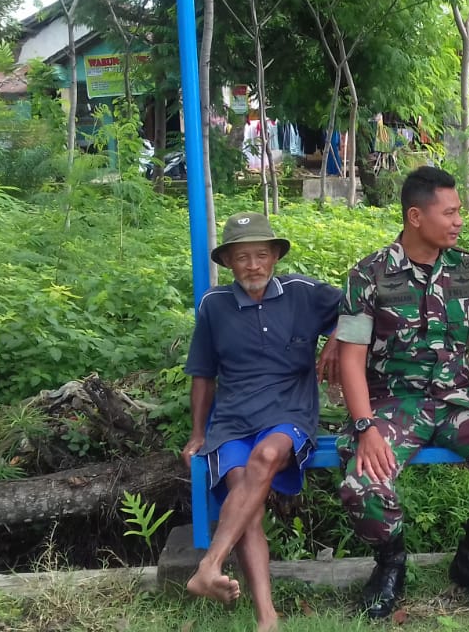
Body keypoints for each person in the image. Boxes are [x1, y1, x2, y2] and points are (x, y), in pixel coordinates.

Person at [335, 166, 469, 617]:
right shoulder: (369, 273)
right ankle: (390, 563)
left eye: (459, 211)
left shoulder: (468, 269)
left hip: (456, 400)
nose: (459, 221)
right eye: (450, 212)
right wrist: (365, 426)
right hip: (391, 404)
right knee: (363, 482)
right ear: (416, 216)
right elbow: (351, 358)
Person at [181, 212, 342, 632]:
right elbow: (203, 374)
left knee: (267, 455)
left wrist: (337, 338)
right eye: (242, 257)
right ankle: (267, 617)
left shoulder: (303, 292)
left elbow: (360, 306)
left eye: (261, 255)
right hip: (233, 419)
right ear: (228, 262)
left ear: (275, 257)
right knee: (245, 498)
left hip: (289, 413)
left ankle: (209, 565)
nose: (253, 265)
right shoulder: (214, 305)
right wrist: (197, 433)